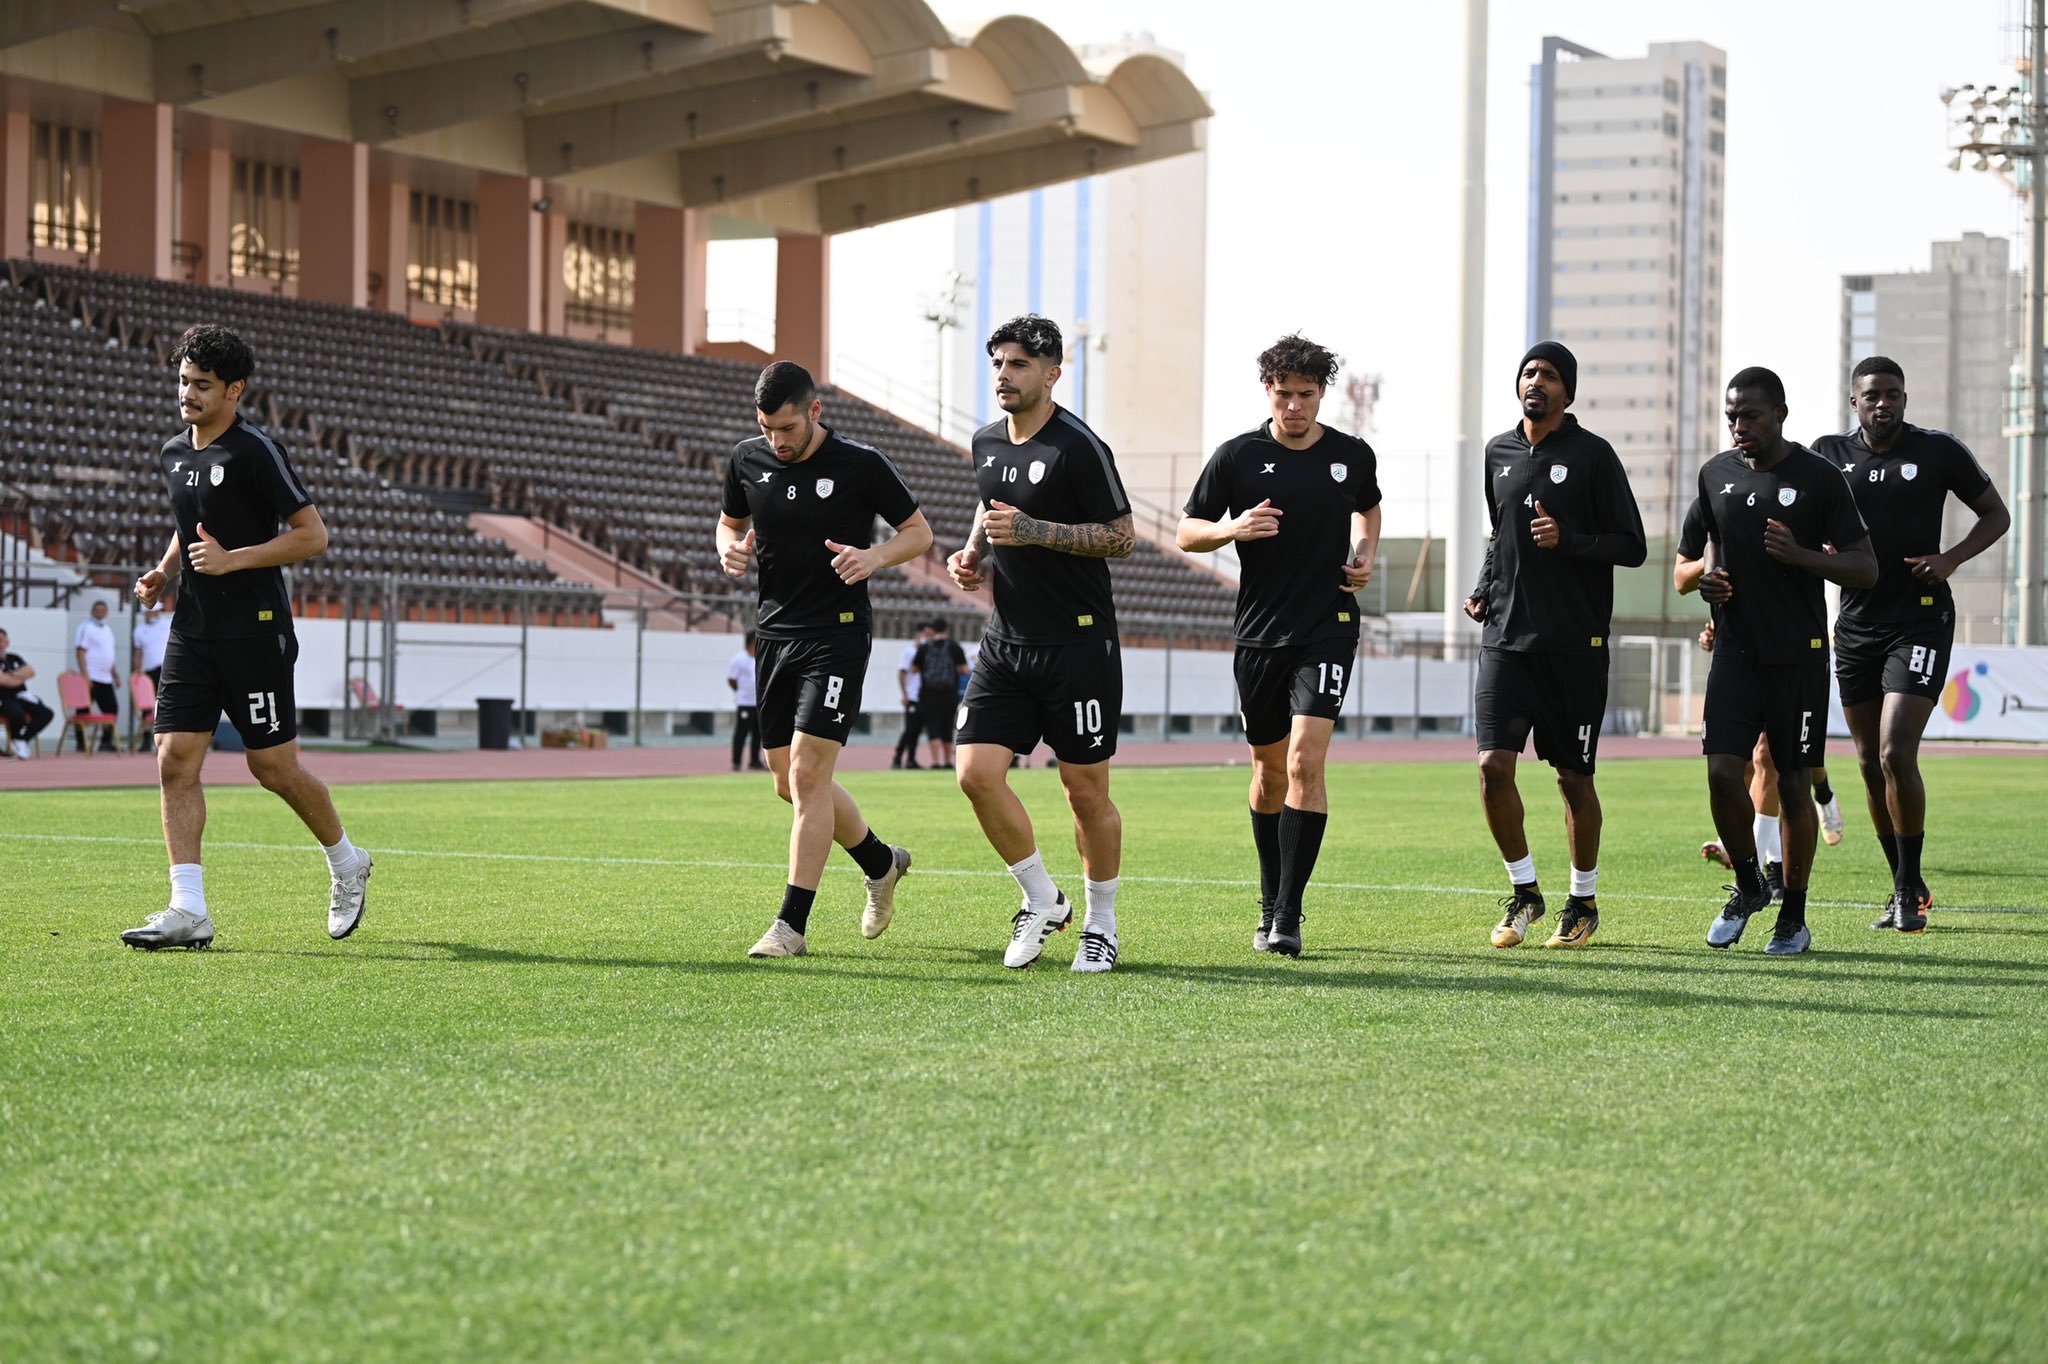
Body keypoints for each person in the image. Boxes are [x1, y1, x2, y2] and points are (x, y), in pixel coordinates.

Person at [122, 324, 373, 951]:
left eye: (201, 385)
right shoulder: (173, 453)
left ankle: (347, 861)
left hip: (255, 630)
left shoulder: (256, 451)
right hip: (192, 629)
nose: (187, 394)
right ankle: (189, 909)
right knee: (174, 759)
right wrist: (164, 570)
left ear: (235, 390)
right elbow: (191, 526)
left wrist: (236, 560)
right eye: (183, 381)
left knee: (272, 766)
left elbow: (313, 536)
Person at [717, 360, 933, 958]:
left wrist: (873, 558)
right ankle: (881, 861)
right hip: (774, 635)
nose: (776, 441)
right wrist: (729, 550)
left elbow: (918, 533)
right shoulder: (747, 460)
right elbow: (728, 522)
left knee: (810, 777)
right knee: (788, 783)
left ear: (815, 411)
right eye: (766, 428)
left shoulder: (860, 464)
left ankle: (791, 926)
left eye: (786, 427)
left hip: (836, 634)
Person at [1177, 333, 1381, 957]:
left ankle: (1289, 914)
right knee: (1267, 772)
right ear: (1267, 390)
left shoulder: (1351, 454)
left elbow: (1368, 509)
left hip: (1328, 627)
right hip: (1259, 633)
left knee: (1303, 762)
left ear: (1323, 395)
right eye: (1284, 393)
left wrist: (1366, 552)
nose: (1295, 406)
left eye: (1306, 395)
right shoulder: (1236, 456)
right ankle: (1269, 897)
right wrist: (1231, 528)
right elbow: (1187, 532)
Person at [947, 314, 1134, 973]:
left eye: (1020, 363)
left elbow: (1121, 536)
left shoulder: (1079, 447)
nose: (1004, 373)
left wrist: (1035, 531)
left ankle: (1102, 924)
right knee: (974, 774)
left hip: (1078, 645)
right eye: (998, 362)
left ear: (1053, 373)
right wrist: (972, 553)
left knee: (1084, 791)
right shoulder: (985, 442)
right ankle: (1041, 898)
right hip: (1006, 642)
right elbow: (990, 503)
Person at [1811, 356, 2011, 933]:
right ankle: (1907, 881)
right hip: (1853, 627)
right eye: (1872, 395)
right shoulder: (1827, 456)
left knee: (1897, 752)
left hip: (1919, 621)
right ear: (1855, 402)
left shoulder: (1937, 450)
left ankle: (1904, 892)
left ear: (1904, 398)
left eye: (1893, 394)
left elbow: (1996, 515)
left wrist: (1949, 559)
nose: (1884, 403)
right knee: (1870, 764)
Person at [1462, 342, 1646, 951]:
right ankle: (1525, 891)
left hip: (1574, 645)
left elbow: (1632, 545)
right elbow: (1499, 534)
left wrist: (1568, 540)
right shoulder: (1498, 452)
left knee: (1572, 778)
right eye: (1528, 372)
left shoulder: (1593, 455)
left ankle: (1582, 899)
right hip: (1506, 641)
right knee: (1492, 767)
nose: (1535, 381)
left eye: (1548, 375)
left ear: (1568, 392)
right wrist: (1485, 587)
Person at [1687, 367, 1875, 956]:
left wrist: (1800, 557)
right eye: (1731, 416)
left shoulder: (1818, 478)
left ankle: (1793, 916)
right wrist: (1706, 582)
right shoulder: (1714, 474)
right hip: (1735, 654)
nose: (1739, 426)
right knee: (1722, 775)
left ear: (1781, 414)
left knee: (1795, 784)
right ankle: (1748, 884)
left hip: (1799, 657)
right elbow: (1682, 567)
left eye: (1750, 415)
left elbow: (1864, 567)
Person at [913, 617, 969, 770]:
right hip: (949, 694)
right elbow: (964, 670)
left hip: (928, 694)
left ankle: (936, 761)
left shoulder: (924, 647)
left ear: (933, 629)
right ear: (946, 629)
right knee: (947, 726)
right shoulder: (954, 646)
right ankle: (947, 761)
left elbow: (914, 669)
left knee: (933, 728)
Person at [72, 597, 121, 753]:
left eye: (103, 610)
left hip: (105, 678)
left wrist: (115, 674)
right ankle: (81, 743)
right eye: (97, 610)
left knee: (112, 708)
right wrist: (85, 676)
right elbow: (80, 652)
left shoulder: (107, 629)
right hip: (91, 676)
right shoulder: (86, 628)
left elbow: (109, 654)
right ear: (92, 612)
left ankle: (106, 742)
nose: (100, 613)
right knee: (83, 710)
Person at [0, 626, 55, 759]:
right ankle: (16, 738)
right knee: (18, 714)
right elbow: (3, 681)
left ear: (7, 642)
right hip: (3, 699)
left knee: (46, 713)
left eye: (2, 640)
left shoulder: (14, 658)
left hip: (21, 696)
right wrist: (19, 676)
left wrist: (11, 675)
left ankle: (22, 740)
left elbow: (31, 671)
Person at [891, 621, 930, 769]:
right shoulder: (910, 652)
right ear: (918, 634)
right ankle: (898, 757)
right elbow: (902, 673)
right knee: (910, 729)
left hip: (924, 696)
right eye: (925, 634)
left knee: (917, 730)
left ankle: (911, 759)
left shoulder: (928, 651)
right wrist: (905, 694)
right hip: (912, 695)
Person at [727, 629, 765, 772]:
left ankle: (754, 761)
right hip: (745, 703)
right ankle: (736, 761)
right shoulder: (739, 659)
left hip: (758, 702)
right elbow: (732, 679)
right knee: (741, 733)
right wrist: (740, 691)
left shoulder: (761, 658)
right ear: (753, 642)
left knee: (757, 734)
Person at [133, 596, 171, 692]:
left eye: (157, 611)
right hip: (149, 669)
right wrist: (137, 671)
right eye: (153, 612)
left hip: (167, 668)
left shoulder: (167, 624)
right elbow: (138, 653)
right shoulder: (139, 630)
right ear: (146, 613)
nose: (156, 614)